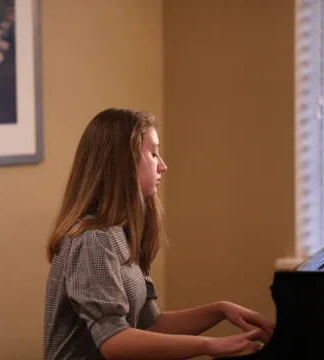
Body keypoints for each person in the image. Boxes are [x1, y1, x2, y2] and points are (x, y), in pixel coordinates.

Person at [43, 108, 274, 359]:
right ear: (124, 163)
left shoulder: (125, 231)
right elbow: (114, 341)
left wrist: (219, 310)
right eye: (153, 153)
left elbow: (150, 324)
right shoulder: (93, 240)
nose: (163, 165)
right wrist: (209, 345)